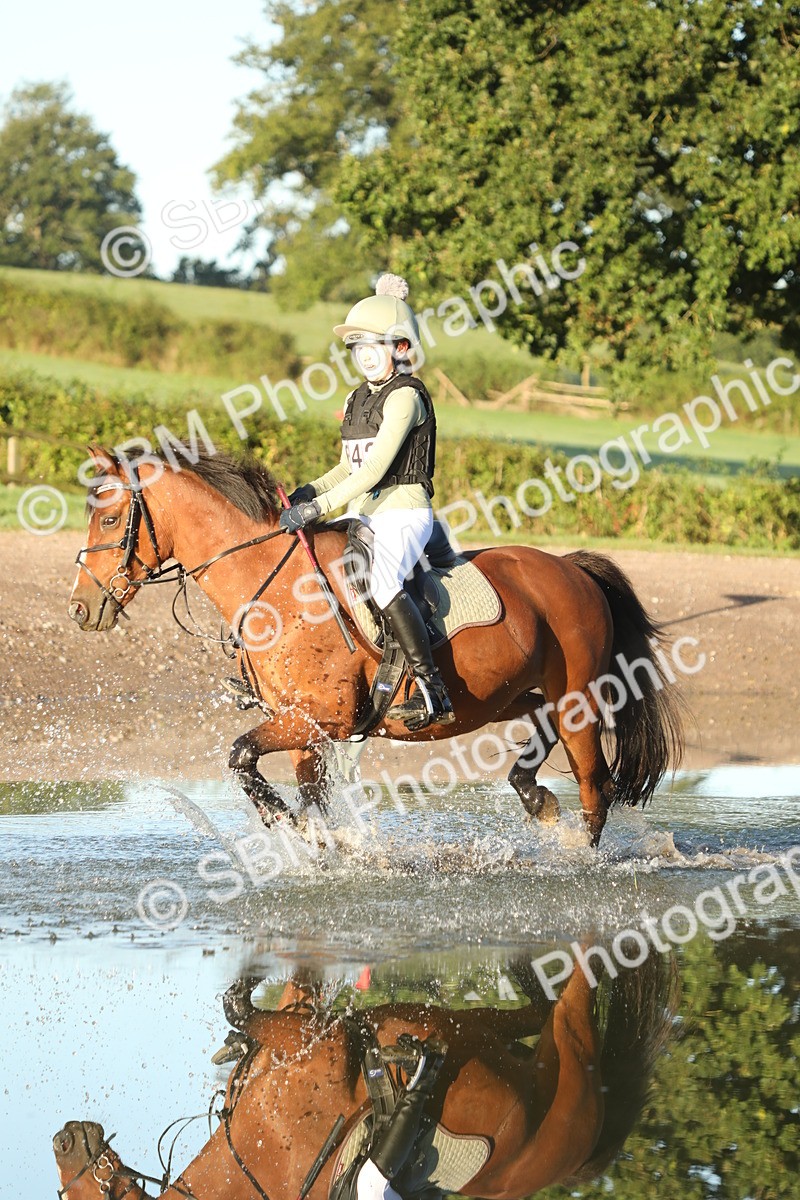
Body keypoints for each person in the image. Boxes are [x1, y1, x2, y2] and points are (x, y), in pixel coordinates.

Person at [279, 274, 454, 732]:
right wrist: (310, 492)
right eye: (357, 348)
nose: (364, 357)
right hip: (364, 514)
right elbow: (346, 467)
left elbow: (374, 470)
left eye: (372, 346)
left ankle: (433, 691)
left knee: (380, 581)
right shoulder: (357, 399)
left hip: (403, 512)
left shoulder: (406, 397)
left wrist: (322, 509)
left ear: (399, 347)